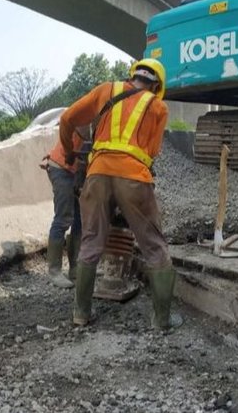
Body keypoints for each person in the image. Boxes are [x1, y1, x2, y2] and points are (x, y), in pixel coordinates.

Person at [58, 58, 181, 329]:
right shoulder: (158, 106)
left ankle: (80, 314)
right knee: (154, 245)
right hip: (134, 177)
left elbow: (67, 119)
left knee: (91, 241)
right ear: (156, 85)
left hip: (97, 173)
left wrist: (69, 152)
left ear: (133, 76)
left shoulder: (106, 90)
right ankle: (162, 320)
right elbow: (152, 153)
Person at [40, 126, 90, 288]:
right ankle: (54, 271)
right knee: (63, 218)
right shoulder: (88, 116)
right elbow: (75, 128)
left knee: (80, 219)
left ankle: (75, 268)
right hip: (61, 169)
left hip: (76, 172)